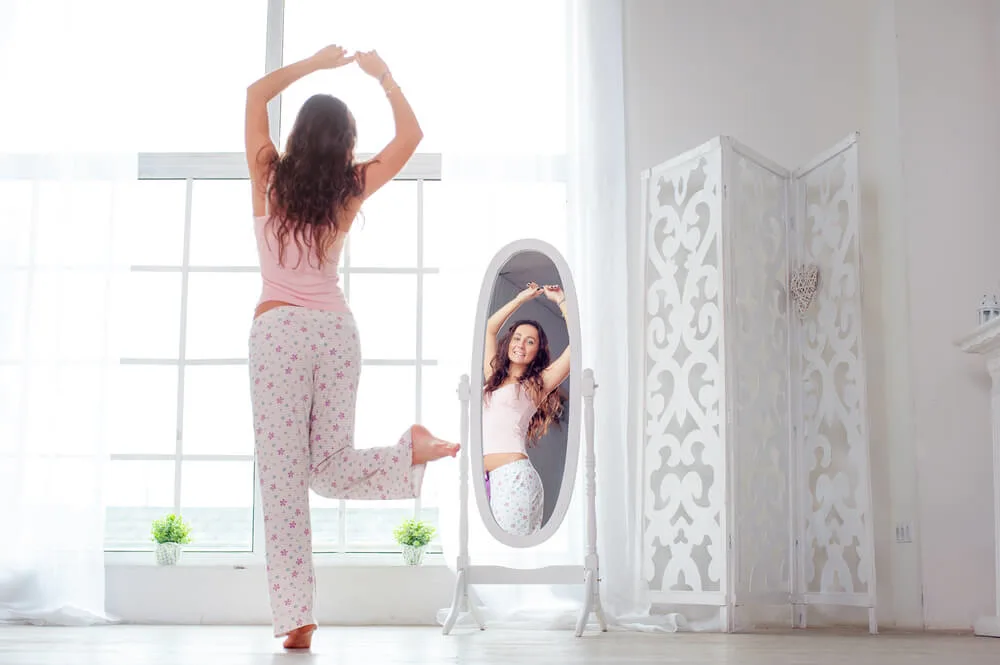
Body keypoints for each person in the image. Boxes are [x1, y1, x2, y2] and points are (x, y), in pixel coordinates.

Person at [244, 44, 459, 649]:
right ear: (343, 144)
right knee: (329, 469)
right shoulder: (349, 187)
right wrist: (383, 75)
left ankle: (297, 619)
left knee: (285, 481)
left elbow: (255, 95)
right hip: (337, 334)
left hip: (280, 330)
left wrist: (315, 65)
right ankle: (407, 455)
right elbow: (411, 136)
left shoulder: (268, 174)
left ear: (299, 134)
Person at [482, 281, 569, 536]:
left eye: (530, 341)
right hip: (492, 482)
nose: (521, 344)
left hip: (515, 480)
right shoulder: (492, 380)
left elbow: (578, 348)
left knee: (514, 559)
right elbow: (488, 329)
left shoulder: (536, 385)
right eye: (517, 338)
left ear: (537, 351)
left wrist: (561, 301)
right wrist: (521, 298)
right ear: (508, 342)